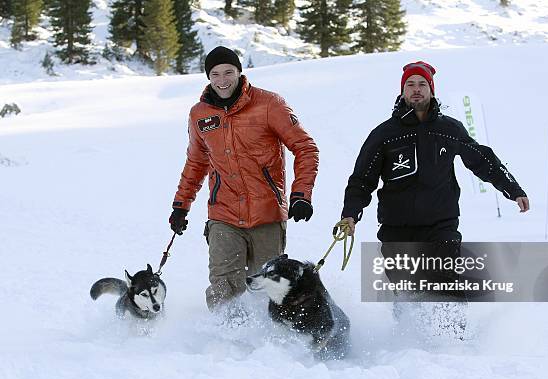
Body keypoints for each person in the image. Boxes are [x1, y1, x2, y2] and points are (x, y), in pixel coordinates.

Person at [340, 61, 529, 309]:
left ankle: (453, 343)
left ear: (431, 89)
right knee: (407, 292)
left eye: (422, 84)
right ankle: (408, 343)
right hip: (397, 228)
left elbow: (482, 160)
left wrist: (512, 189)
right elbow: (362, 180)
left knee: (445, 285)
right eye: (410, 84)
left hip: (441, 225)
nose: (416, 89)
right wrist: (350, 215)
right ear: (402, 90)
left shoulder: (449, 129)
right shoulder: (384, 134)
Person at [169, 46, 319, 317]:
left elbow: (305, 147)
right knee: (223, 285)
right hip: (223, 214)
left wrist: (301, 195)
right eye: (215, 74)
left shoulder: (269, 104)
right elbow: (196, 162)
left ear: (240, 72)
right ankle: (227, 342)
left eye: (228, 72)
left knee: (267, 285)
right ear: (208, 77)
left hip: (267, 214)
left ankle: (266, 344)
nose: (222, 79)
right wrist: (181, 204)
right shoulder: (199, 114)